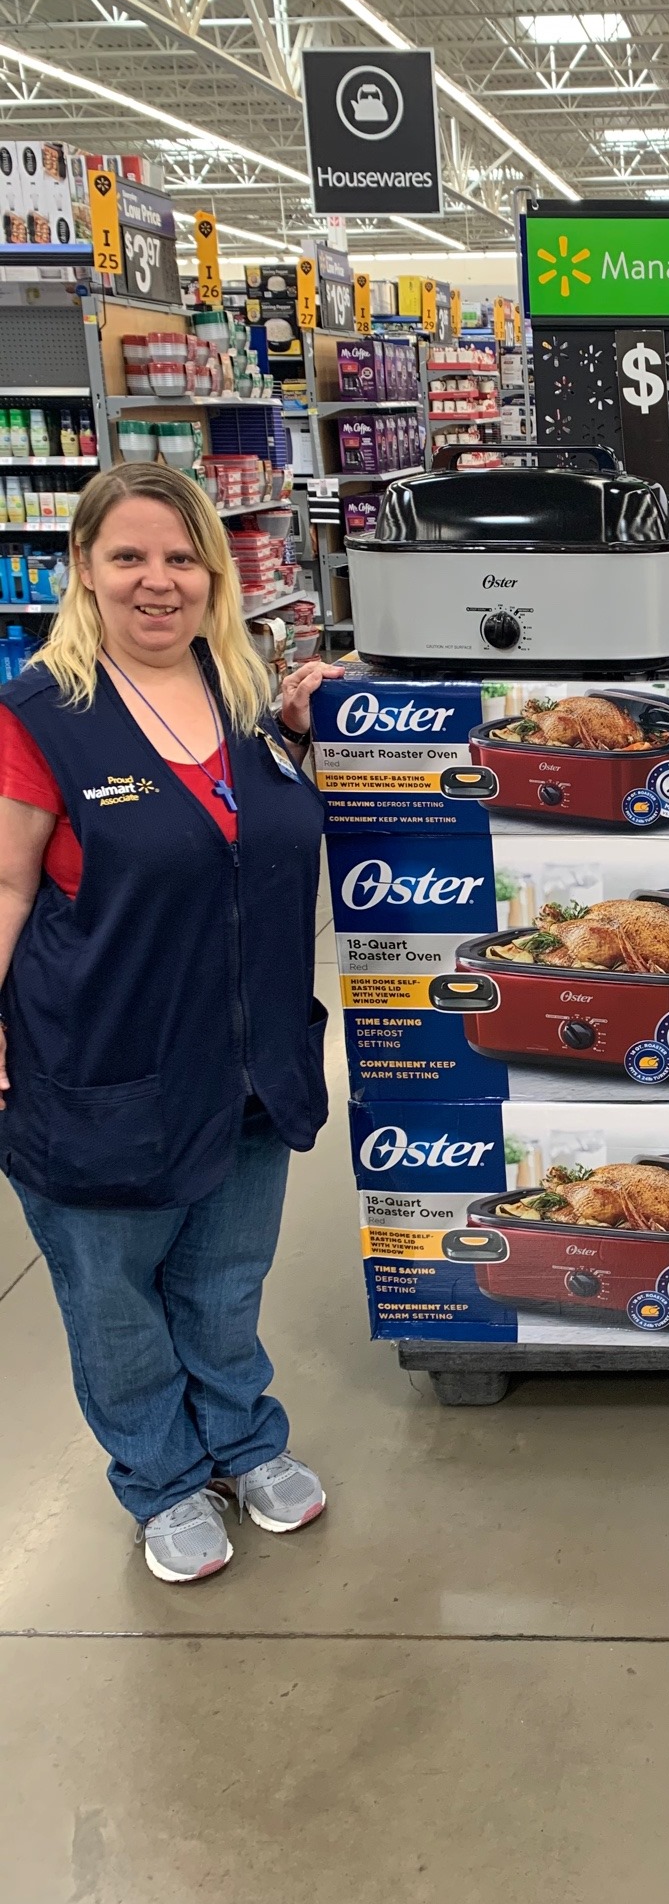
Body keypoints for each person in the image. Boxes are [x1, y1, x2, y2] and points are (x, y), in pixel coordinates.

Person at [0, 463, 341, 1583]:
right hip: (103, 1063)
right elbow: (5, 883)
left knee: (226, 1276)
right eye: (129, 557)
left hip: (246, 1061)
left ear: (214, 574)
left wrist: (305, 729)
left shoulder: (243, 692)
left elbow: (254, 839)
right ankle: (160, 1474)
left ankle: (243, 1438)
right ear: (83, 570)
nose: (159, 581)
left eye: (182, 557)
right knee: (113, 1295)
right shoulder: (41, 717)